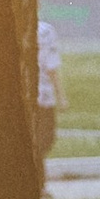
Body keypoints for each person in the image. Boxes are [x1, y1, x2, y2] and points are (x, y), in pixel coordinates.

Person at [34, 12, 62, 169]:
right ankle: (40, 181)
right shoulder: (46, 31)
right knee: (45, 139)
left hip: (37, 95)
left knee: (39, 140)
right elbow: (52, 67)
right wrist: (61, 96)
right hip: (44, 95)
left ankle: (40, 180)